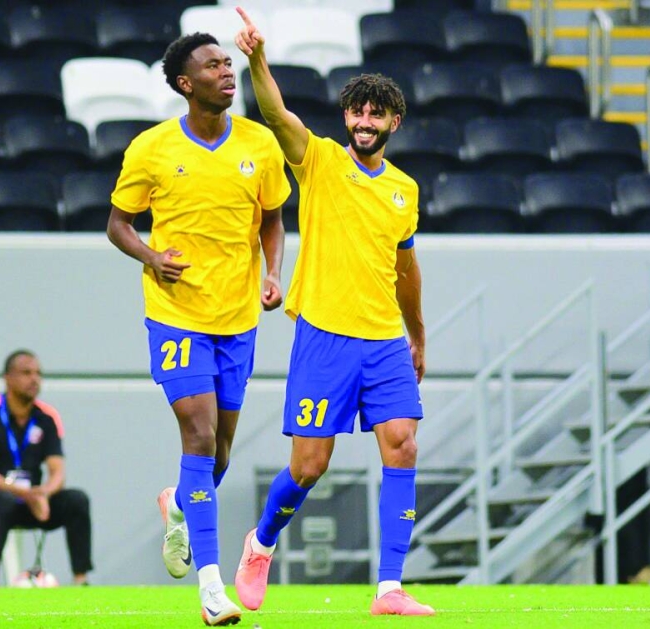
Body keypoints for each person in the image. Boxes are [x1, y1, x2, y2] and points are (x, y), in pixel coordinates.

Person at [232, 8, 434, 617]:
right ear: (346, 118)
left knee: (402, 444)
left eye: (377, 114)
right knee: (310, 465)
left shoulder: (405, 190)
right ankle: (261, 543)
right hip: (325, 336)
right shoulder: (319, 159)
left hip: (385, 341)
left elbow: (404, 269)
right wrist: (257, 59)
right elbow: (275, 114)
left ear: (394, 122)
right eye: (357, 112)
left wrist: (417, 333)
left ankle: (389, 588)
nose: (365, 122)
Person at [106, 29, 290, 627]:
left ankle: (180, 505)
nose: (227, 72)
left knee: (221, 449)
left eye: (228, 63)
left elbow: (272, 219)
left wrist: (273, 273)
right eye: (213, 66)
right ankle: (211, 589)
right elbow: (118, 224)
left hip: (236, 317)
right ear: (186, 84)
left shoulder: (259, 143)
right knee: (200, 433)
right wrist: (151, 257)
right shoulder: (152, 148)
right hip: (176, 315)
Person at [0, 349, 92, 586]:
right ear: (8, 378)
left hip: (32, 501)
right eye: (26, 373)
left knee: (77, 500)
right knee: (3, 501)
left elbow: (58, 472)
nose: (34, 379)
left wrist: (44, 493)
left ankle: (81, 579)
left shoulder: (47, 416)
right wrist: (25, 493)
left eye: (38, 373)